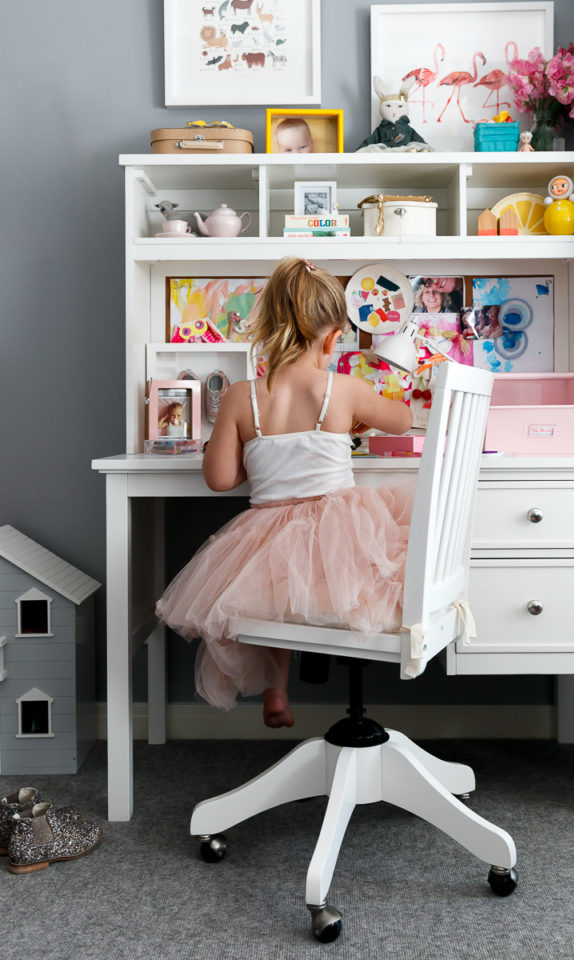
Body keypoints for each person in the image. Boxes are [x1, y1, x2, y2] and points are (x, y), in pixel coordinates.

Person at [155, 257, 414, 729]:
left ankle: (277, 689)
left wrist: (260, 455)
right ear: (335, 336)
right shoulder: (343, 388)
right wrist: (354, 417)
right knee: (366, 568)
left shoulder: (240, 395)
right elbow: (401, 421)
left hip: (266, 535)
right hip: (340, 535)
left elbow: (220, 478)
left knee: (276, 594)